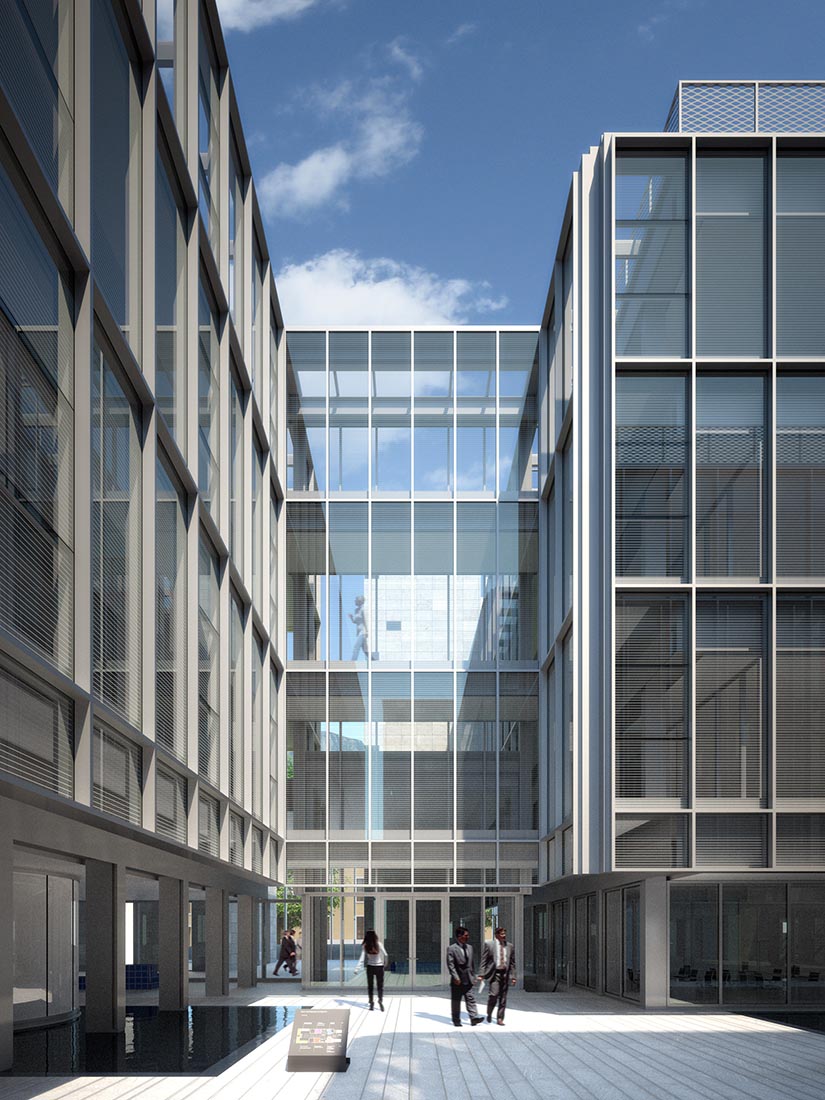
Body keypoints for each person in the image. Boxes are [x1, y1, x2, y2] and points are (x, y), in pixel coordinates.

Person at [446, 926, 484, 1027]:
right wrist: (455, 977)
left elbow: (471, 964)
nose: (468, 937)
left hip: (468, 979)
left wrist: (474, 976)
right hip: (457, 980)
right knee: (456, 1001)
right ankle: (456, 1020)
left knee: (470, 998)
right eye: (465, 935)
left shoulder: (470, 948)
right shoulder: (451, 949)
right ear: (459, 936)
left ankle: (474, 1018)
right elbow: (451, 965)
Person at [479, 926, 516, 1024]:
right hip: (495, 974)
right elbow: (484, 961)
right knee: (493, 995)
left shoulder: (510, 946)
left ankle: (500, 1018)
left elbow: (512, 963)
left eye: (504, 934)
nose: (504, 936)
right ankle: (489, 1013)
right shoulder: (489, 945)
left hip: (505, 974)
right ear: (496, 935)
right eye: (501, 934)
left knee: (503, 997)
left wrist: (513, 976)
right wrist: (481, 974)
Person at [354, 928, 388, 1010]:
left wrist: (357, 969)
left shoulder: (365, 945)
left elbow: (362, 958)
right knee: (380, 985)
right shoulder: (379, 944)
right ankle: (380, 1000)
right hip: (379, 966)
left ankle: (371, 1002)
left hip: (370, 967)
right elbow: (386, 954)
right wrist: (385, 964)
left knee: (370, 986)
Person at [349, 595, 369, 660]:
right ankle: (373, 661)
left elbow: (366, 620)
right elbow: (355, 621)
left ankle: (352, 662)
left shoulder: (363, 609)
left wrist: (367, 631)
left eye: (356, 600)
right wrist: (351, 617)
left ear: (360, 601)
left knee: (356, 647)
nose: (354, 601)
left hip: (363, 632)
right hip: (359, 632)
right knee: (365, 651)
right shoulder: (356, 610)